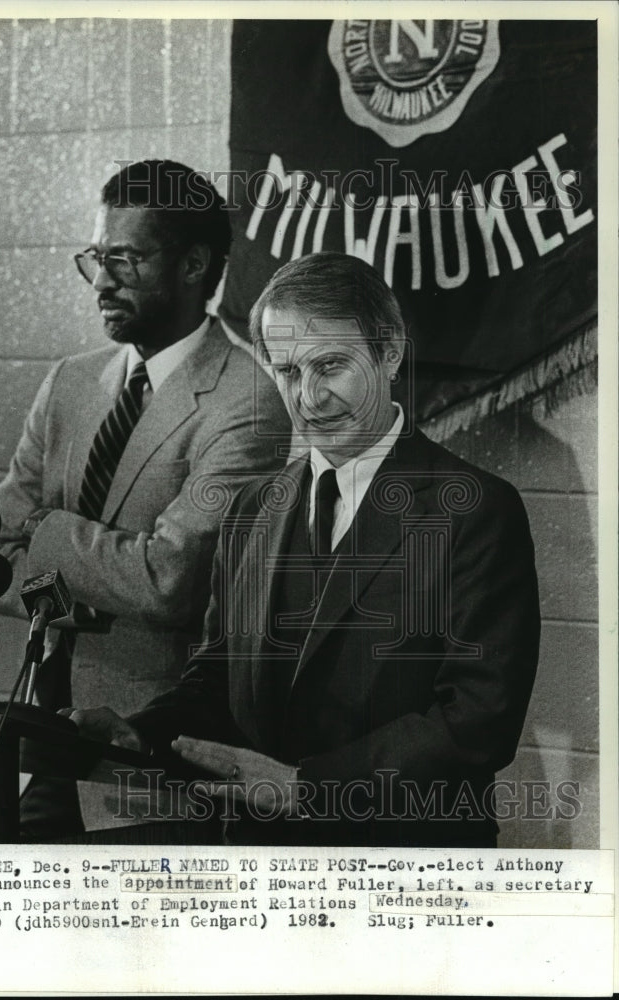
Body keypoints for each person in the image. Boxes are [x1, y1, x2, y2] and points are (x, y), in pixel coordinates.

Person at [68, 251, 541, 847]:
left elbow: (478, 720)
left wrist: (308, 788)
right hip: (258, 855)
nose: (309, 397)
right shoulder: (251, 510)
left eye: (331, 366)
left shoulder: (476, 509)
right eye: (289, 371)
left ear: (390, 354)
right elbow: (215, 681)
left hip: (404, 864)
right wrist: (142, 734)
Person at [0, 159, 291, 839]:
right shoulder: (70, 383)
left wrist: (46, 528)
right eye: (97, 259)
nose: (102, 281)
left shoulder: (247, 402)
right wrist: (75, 594)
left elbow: (168, 584)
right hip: (46, 733)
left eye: (124, 260)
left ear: (193, 266)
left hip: (153, 757)